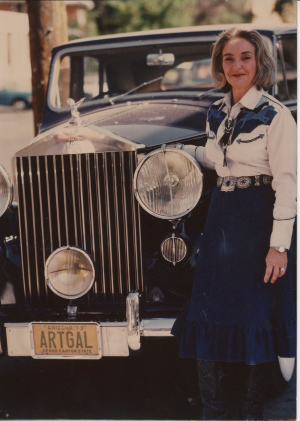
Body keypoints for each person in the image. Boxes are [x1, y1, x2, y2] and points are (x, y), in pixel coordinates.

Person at [171, 27, 296, 420]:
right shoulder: (216, 111)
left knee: (253, 315)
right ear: (219, 65)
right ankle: (214, 412)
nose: (237, 65)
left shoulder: (276, 114)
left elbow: (288, 182)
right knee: (209, 312)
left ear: (259, 62)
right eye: (229, 58)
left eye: (245, 57)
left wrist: (279, 246)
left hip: (258, 221)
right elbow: (218, 159)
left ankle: (251, 411)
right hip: (222, 219)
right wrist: (178, 152)